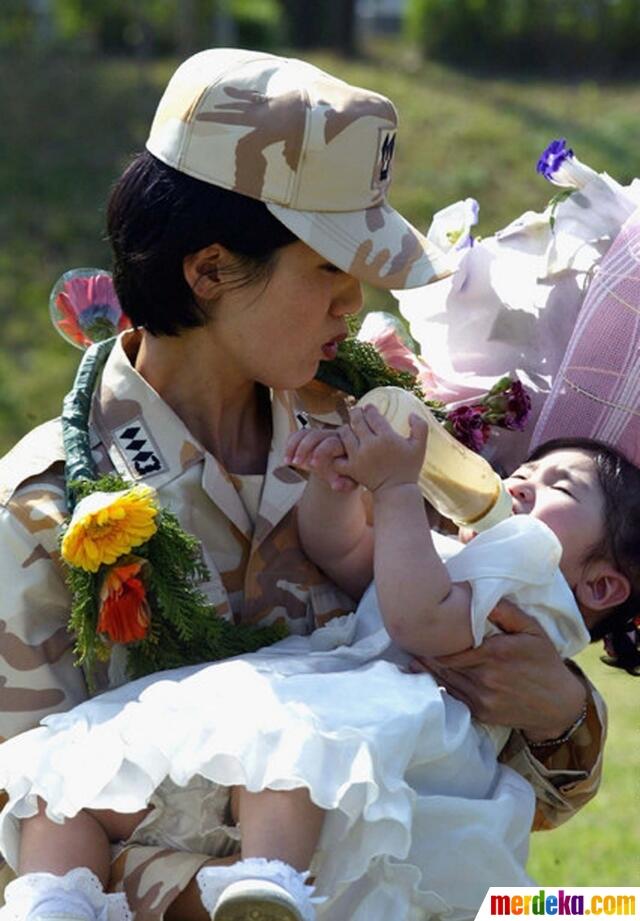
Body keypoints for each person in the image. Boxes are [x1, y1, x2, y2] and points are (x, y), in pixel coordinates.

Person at [0, 48, 606, 920]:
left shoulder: (375, 434)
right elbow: (28, 840)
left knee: (610, 910)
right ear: (208, 271)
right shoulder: (49, 510)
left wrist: (558, 711)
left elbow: (481, 777)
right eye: (327, 265)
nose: (352, 303)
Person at [0, 422, 638, 921]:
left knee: (297, 743)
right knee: (72, 772)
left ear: (603, 585)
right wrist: (332, 487)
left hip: (394, 731)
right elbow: (347, 555)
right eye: (523, 468)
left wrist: (395, 494)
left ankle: (268, 882)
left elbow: (421, 621)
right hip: (333, 701)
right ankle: (56, 901)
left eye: (560, 486)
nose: (521, 480)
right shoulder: (464, 545)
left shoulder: (532, 568)